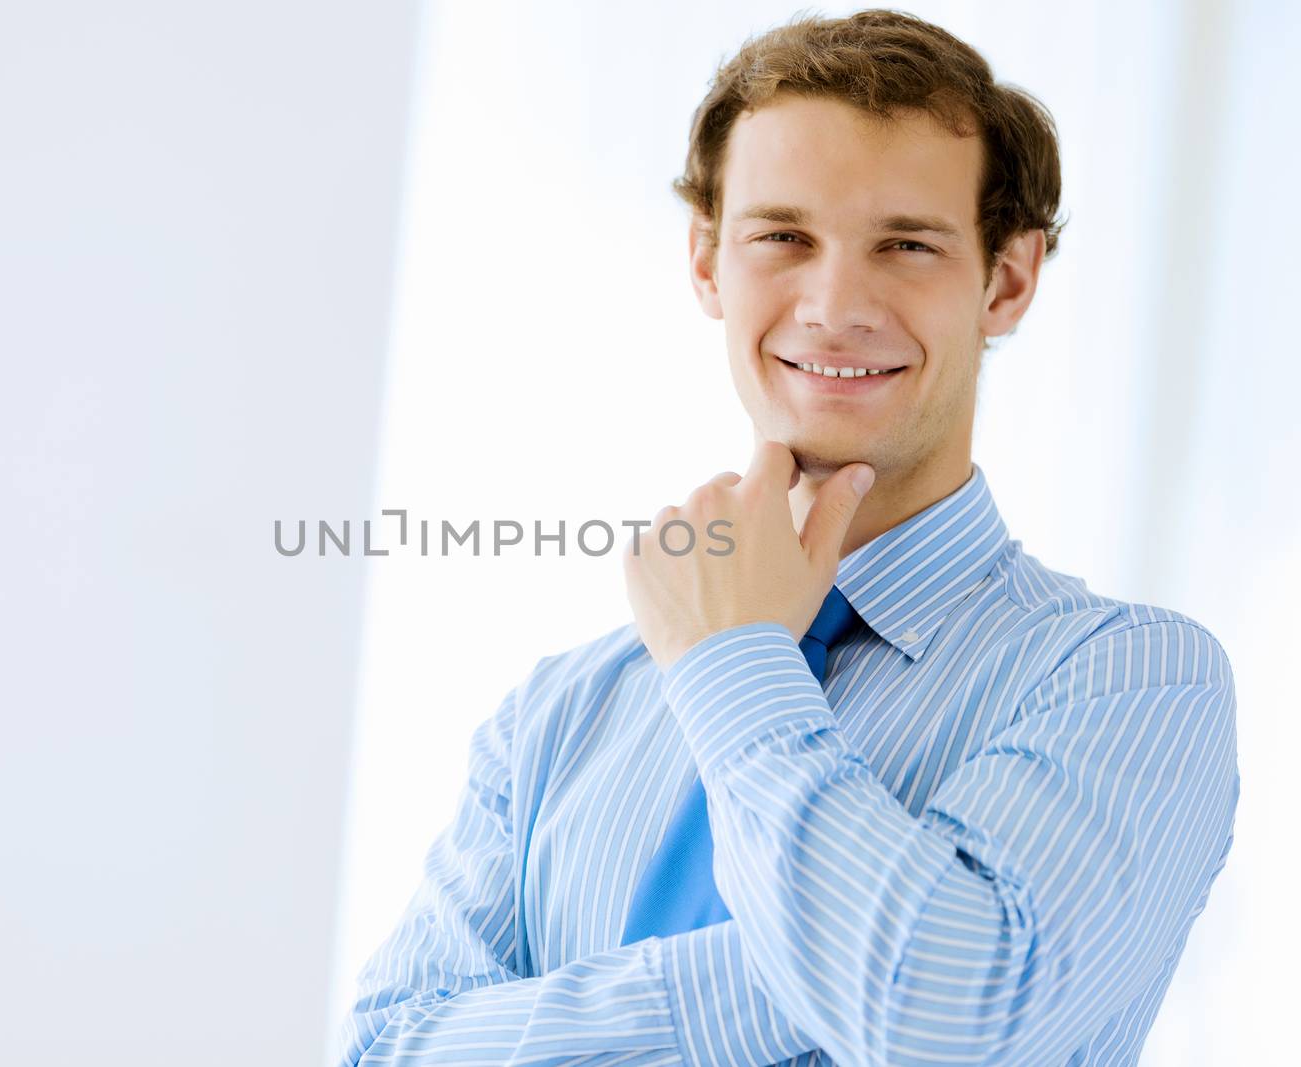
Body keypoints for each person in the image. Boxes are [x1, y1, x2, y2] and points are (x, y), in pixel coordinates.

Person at [332, 9, 1240, 1065]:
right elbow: (386, 1049)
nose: (833, 303)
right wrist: (825, 970)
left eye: (905, 244)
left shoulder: (1129, 680)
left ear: (1006, 279)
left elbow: (945, 1018)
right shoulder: (555, 715)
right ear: (708, 262)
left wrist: (734, 668)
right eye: (782, 237)